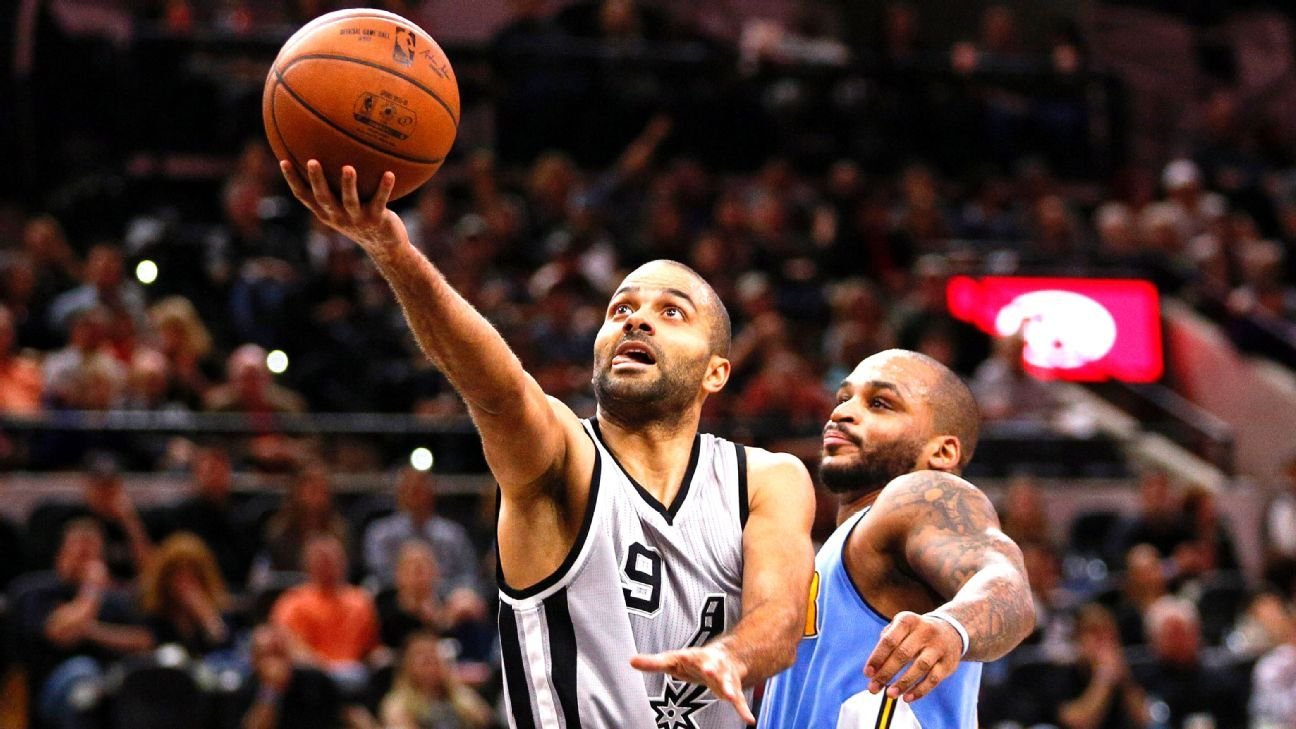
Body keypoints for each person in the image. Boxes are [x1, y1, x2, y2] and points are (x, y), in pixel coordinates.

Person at [280, 159, 815, 727]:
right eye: (621, 309)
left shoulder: (766, 480)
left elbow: (780, 616)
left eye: (671, 312)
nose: (636, 321)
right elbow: (497, 390)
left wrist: (733, 655)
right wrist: (395, 254)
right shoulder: (563, 456)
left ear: (716, 372)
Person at [759, 349, 1034, 729]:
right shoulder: (841, 546)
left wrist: (952, 627)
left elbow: (1005, 582)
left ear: (942, 452)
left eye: (880, 403)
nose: (842, 412)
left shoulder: (925, 497)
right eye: (843, 398)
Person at [269, 533, 380, 693]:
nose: (327, 566)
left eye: (331, 560)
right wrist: (325, 671)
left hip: (355, 671)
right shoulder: (293, 602)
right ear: (307, 565)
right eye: (321, 561)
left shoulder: (360, 601)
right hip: (312, 676)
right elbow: (292, 647)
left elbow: (371, 647)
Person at [137, 532, 235, 658]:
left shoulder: (222, 612)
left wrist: (205, 615)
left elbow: (226, 649)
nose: (184, 581)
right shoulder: (154, 615)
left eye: (192, 572)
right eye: (177, 573)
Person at [379, 630, 493, 729]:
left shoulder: (461, 696)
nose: (432, 667)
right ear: (408, 666)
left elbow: (487, 720)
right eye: (425, 661)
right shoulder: (397, 705)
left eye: (435, 658)